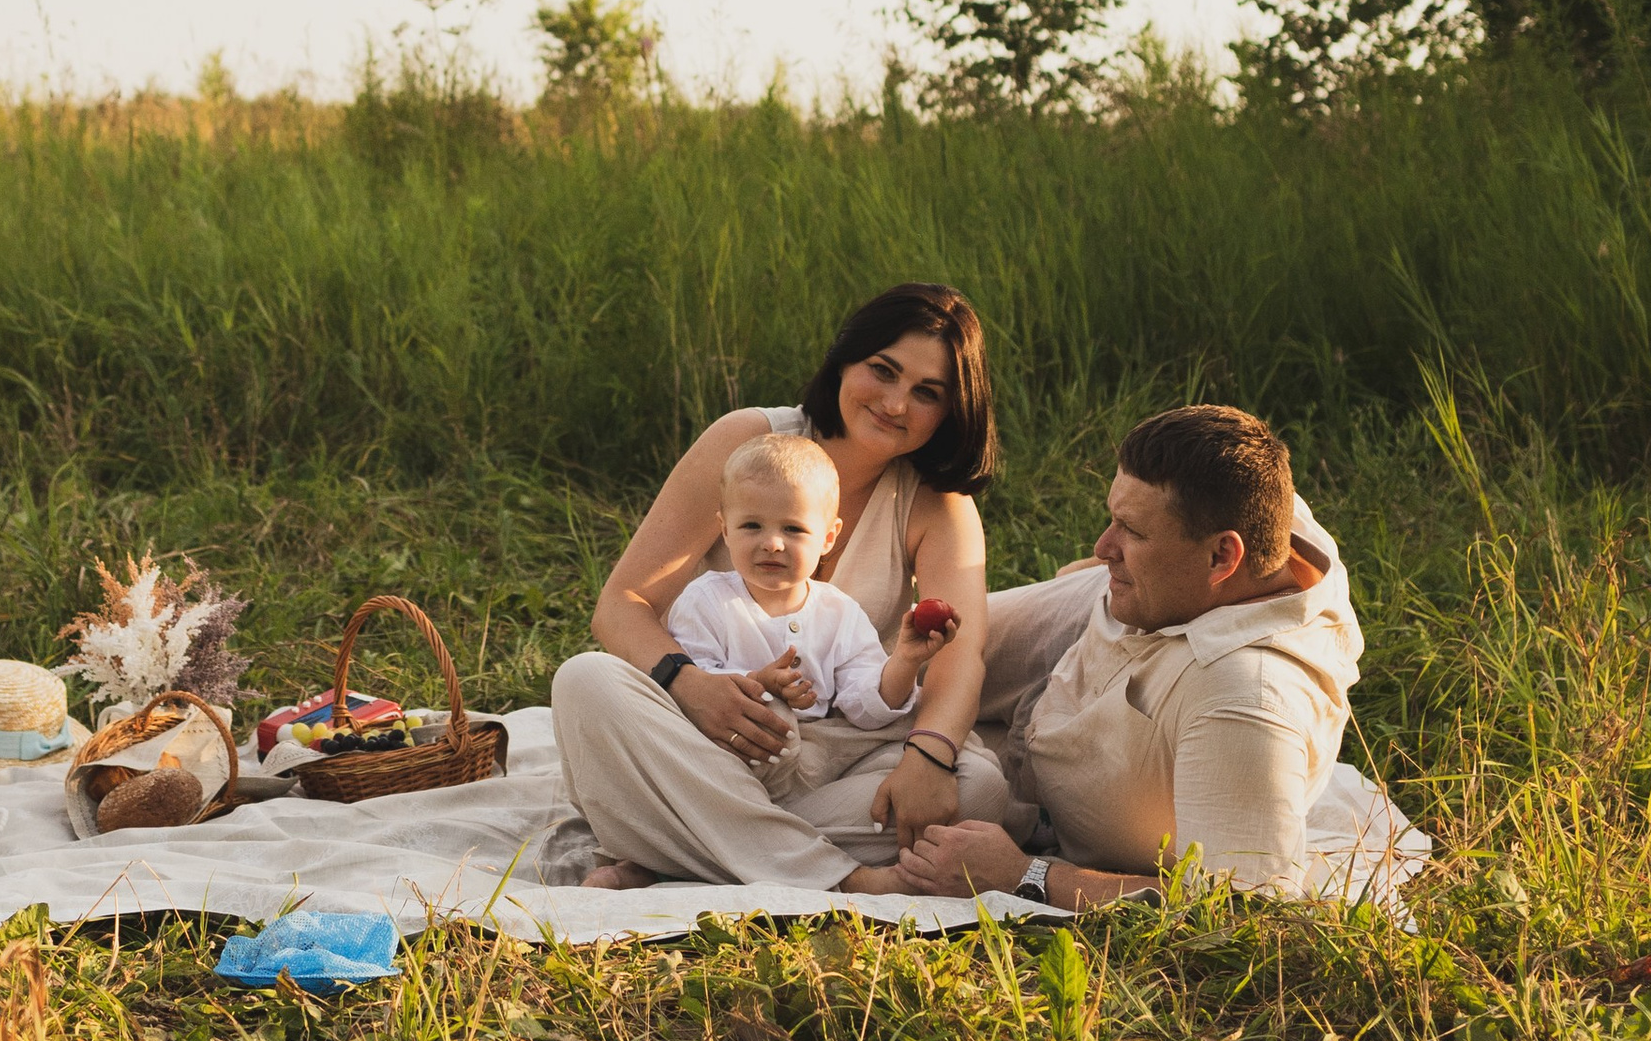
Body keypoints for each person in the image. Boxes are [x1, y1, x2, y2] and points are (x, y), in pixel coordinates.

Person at [548, 282, 997, 899]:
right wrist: (689, 682)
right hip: (708, 740)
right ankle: (834, 873)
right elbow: (621, 605)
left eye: (927, 393)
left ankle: (675, 849)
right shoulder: (749, 441)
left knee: (979, 786)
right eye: (883, 371)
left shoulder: (935, 501)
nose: (896, 403)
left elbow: (957, 656)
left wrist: (930, 757)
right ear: (844, 359)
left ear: (952, 410)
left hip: (838, 751)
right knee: (584, 681)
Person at [895, 402, 1359, 909]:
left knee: (884, 794)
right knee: (894, 657)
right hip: (1108, 618)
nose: (1102, 543)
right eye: (1114, 519)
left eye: (1132, 531)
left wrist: (1022, 875)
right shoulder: (1260, 516)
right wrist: (1119, 565)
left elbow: (1243, 905)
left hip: (1050, 790)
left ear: (1223, 557)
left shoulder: (1247, 700)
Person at [656, 431, 939, 731]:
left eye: (793, 529)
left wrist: (905, 661)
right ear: (725, 530)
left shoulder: (840, 613)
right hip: (730, 746)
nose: (772, 544)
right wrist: (759, 683)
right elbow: (694, 691)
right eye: (752, 525)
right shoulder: (705, 601)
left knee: (973, 773)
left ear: (828, 537)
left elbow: (865, 711)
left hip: (819, 749)